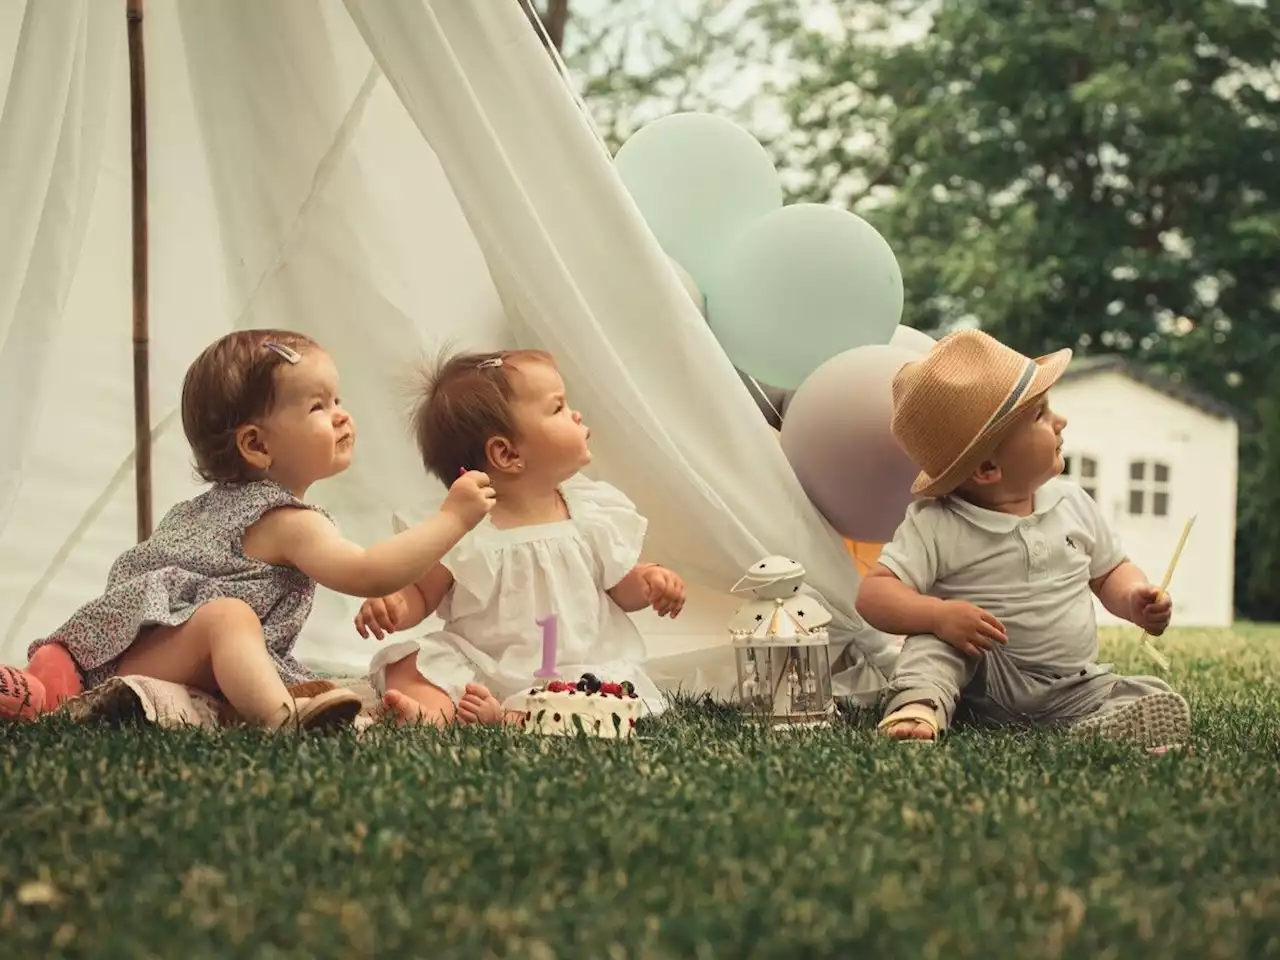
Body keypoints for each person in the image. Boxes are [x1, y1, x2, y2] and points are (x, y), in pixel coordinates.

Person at [0, 330, 494, 731]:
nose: (342, 414)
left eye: (337, 398)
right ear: (256, 445)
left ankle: (46, 689)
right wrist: (452, 519)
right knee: (230, 619)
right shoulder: (287, 523)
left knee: (239, 636)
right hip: (148, 663)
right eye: (317, 407)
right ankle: (280, 719)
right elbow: (369, 573)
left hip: (134, 656)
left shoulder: (204, 509)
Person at [856, 329, 1191, 749]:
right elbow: (873, 595)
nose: (1060, 421)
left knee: (1148, 690)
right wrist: (938, 616)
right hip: (978, 677)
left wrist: (1134, 598)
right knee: (933, 646)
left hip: (1070, 684)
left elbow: (1110, 572)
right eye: (1041, 415)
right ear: (987, 469)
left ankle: (1092, 730)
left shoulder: (1073, 503)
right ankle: (919, 707)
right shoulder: (937, 523)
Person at [354, 349, 686, 726]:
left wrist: (648, 581)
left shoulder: (591, 513)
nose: (575, 414)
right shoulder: (464, 527)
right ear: (507, 453)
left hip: (576, 667)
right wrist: (395, 604)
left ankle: (511, 716)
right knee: (409, 663)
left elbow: (619, 587)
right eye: (558, 408)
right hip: (483, 663)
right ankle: (433, 711)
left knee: (601, 691)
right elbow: (423, 593)